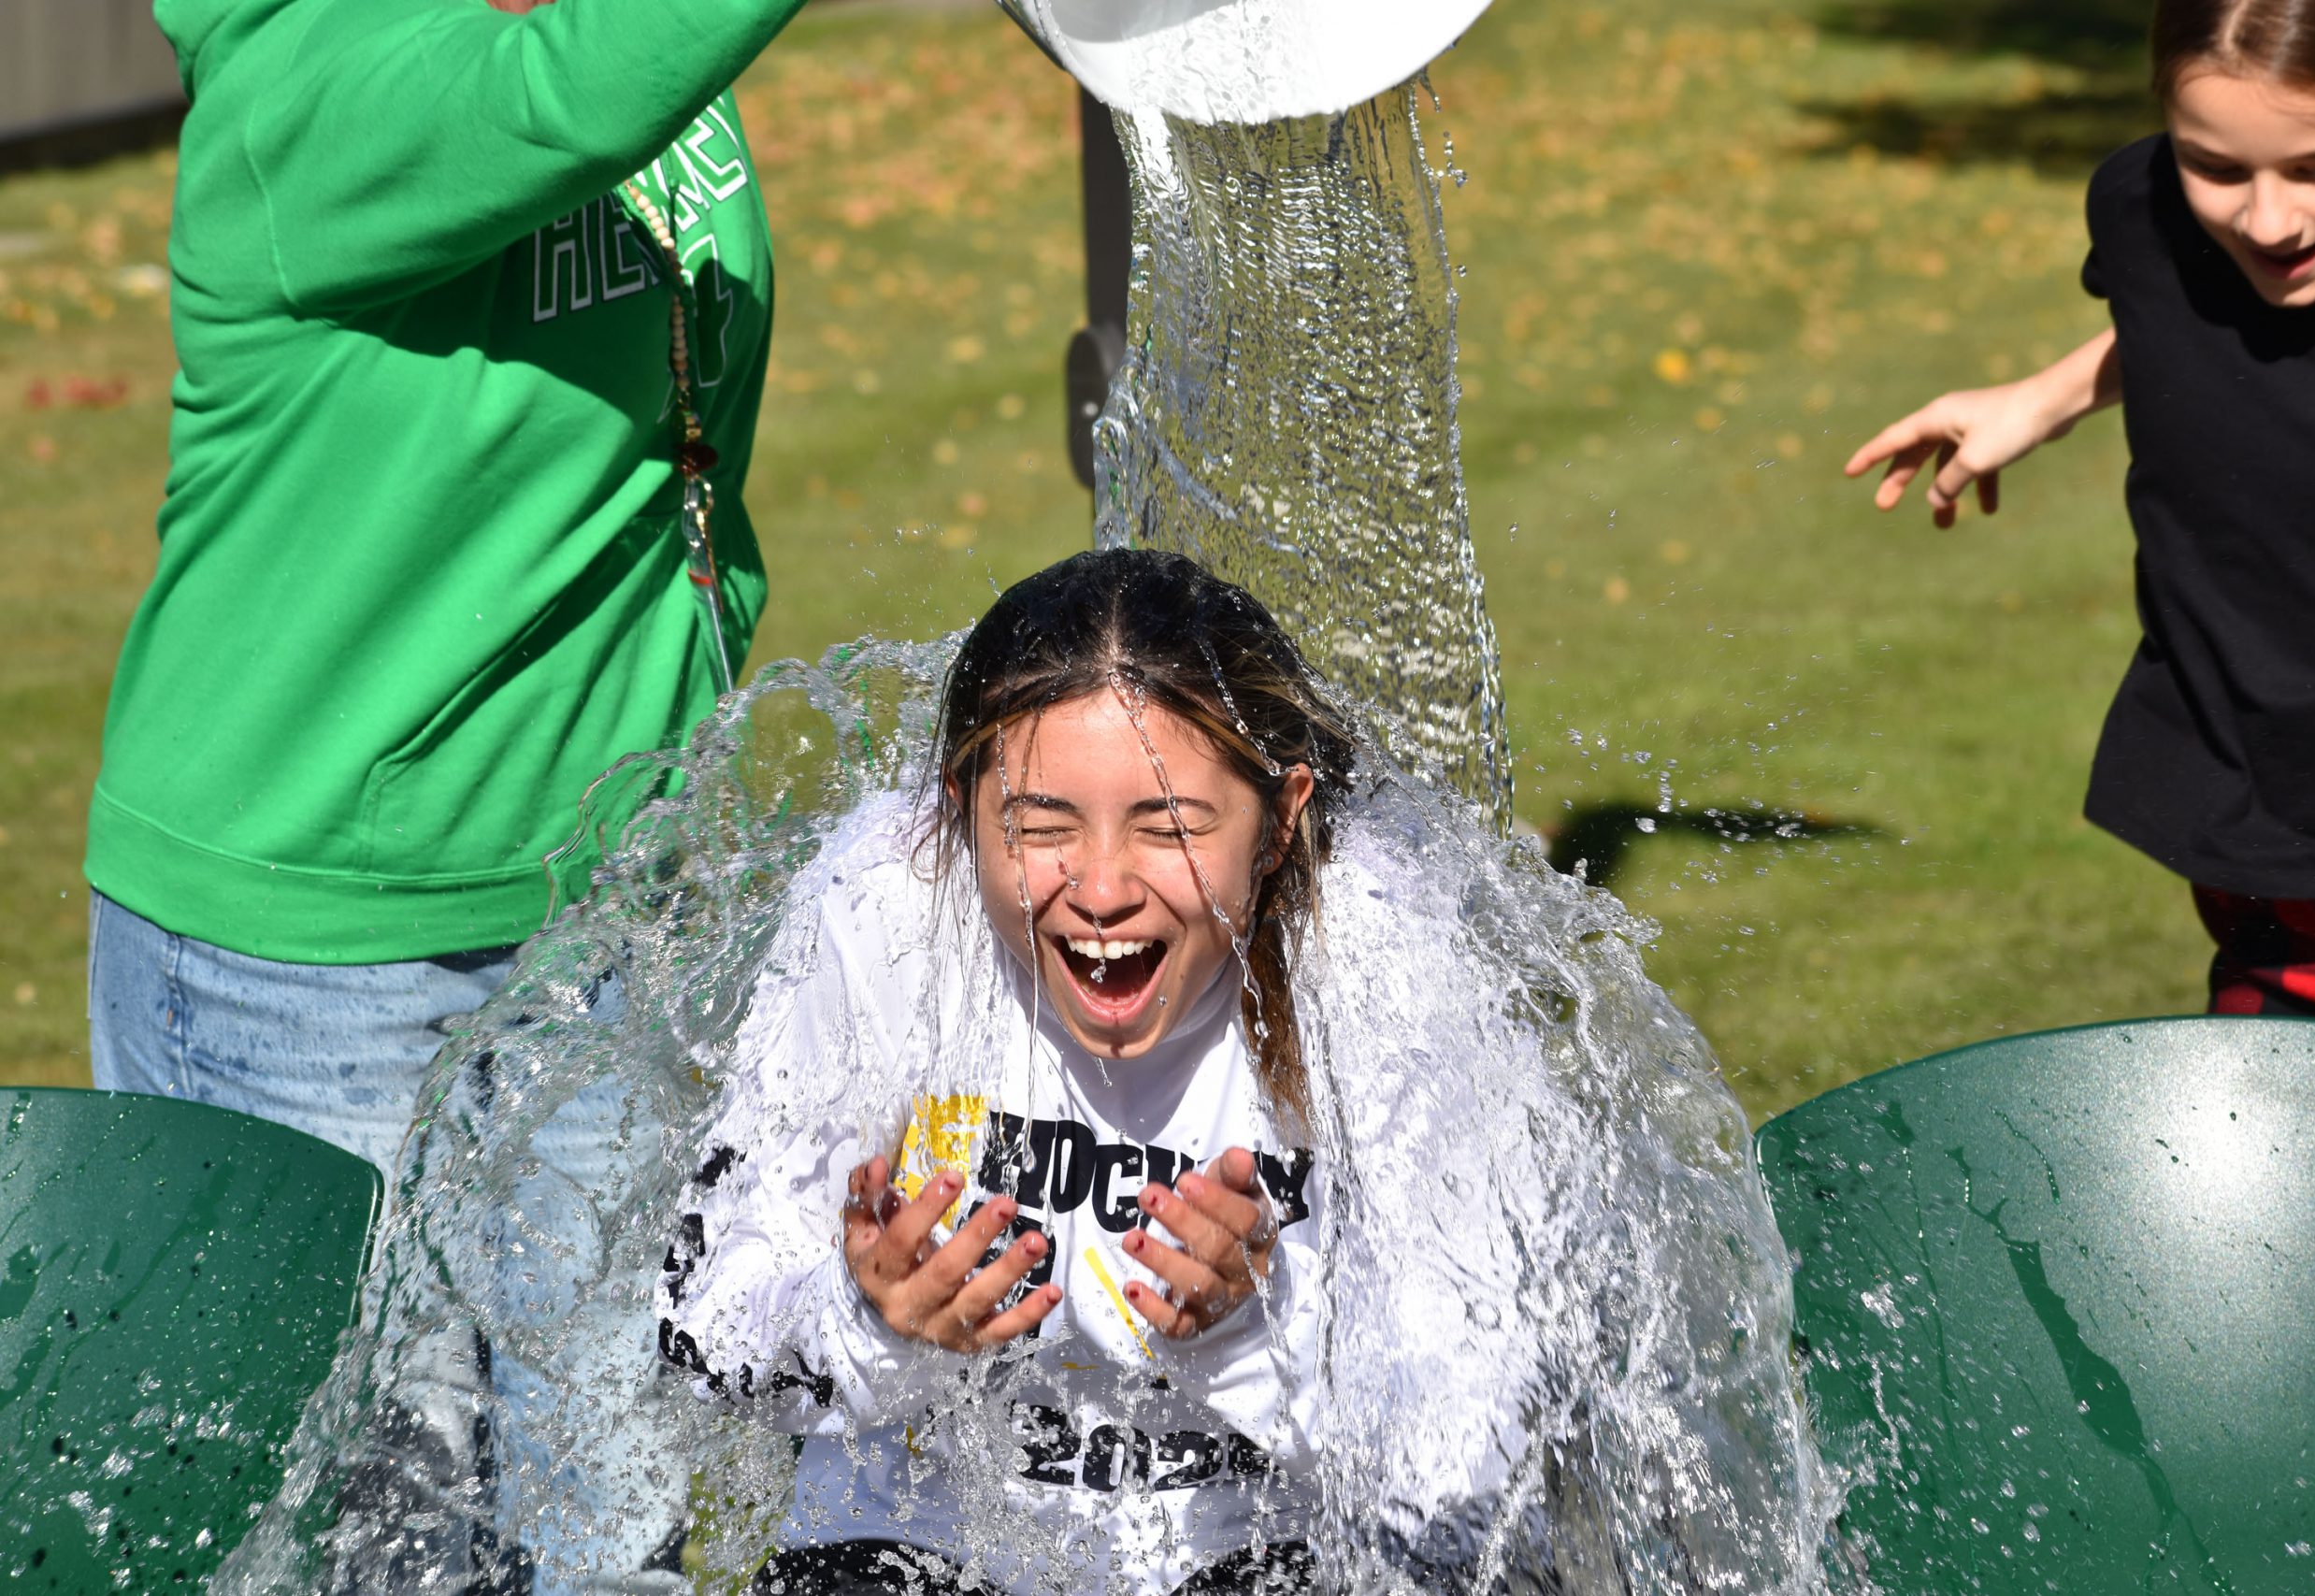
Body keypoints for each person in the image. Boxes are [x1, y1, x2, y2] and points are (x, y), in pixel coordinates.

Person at [84, 0, 810, 1587]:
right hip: (314, 963)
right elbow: (571, 100)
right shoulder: (304, 72)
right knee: (369, 1543)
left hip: (610, 909)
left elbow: (673, 440)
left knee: (614, 1525)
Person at [656, 549, 1560, 1594]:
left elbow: (1473, 1450)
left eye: (1169, 826)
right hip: (924, 1533)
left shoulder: (1378, 952)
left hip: (1269, 1544)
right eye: (1038, 826)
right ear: (961, 807)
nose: (1099, 888)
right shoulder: (883, 901)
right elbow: (704, 1329)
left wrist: (1244, 1335)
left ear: (1279, 818)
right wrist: (870, 1321)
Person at [1846, 0, 2315, 1020]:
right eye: (2217, 168)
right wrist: (2046, 397)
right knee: (2292, 1154)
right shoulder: (2146, 214)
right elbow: (2195, 328)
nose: (2268, 222)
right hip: (2255, 834)